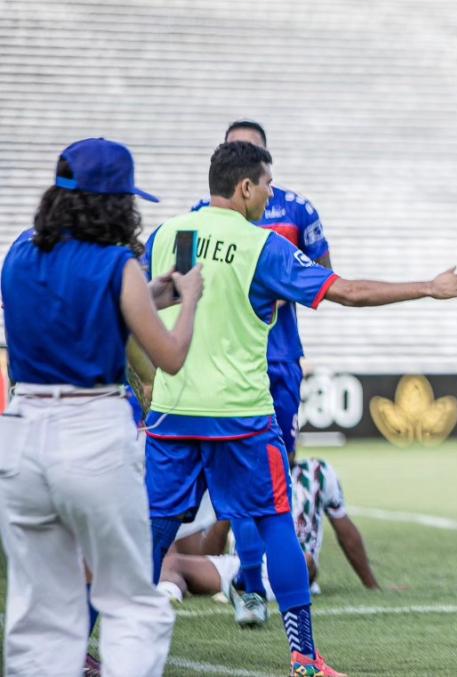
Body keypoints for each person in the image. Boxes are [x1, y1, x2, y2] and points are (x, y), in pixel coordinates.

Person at [142, 140, 457, 677]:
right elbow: (345, 291)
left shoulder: (170, 236)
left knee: (153, 531)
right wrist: (427, 287)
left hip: (172, 413)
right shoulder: (262, 246)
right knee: (277, 521)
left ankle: (103, 643)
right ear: (246, 188)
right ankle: (303, 656)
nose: (272, 193)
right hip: (241, 416)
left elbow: (145, 304)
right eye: (268, 183)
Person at [0, 138, 204, 677]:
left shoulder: (18, 254)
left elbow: (82, 298)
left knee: (40, 612)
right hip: (91, 431)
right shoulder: (117, 264)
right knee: (131, 601)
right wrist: (191, 301)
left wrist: (158, 290)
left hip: (21, 434)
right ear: (115, 203)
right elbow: (171, 356)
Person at [192, 120, 334, 630]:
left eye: (254, 149)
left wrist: (279, 284)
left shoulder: (297, 210)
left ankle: (253, 583)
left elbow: (322, 273)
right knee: (235, 487)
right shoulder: (198, 220)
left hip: (278, 360)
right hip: (223, 365)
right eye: (237, 147)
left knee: (274, 479)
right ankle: (250, 580)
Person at [159, 455, 379, 603]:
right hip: (240, 565)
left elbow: (347, 533)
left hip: (295, 563)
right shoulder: (243, 470)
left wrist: (371, 585)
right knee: (171, 563)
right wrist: (229, 512)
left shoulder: (317, 471)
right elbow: (211, 553)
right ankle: (169, 595)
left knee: (305, 561)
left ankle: (253, 591)